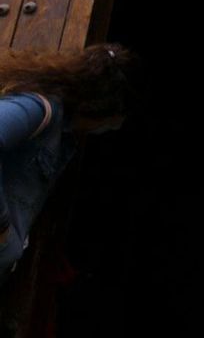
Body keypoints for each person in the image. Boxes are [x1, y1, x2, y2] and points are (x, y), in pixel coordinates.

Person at [0, 43, 135, 285]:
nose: (109, 129)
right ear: (101, 109)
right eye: (114, 122)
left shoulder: (63, 138)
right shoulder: (39, 109)